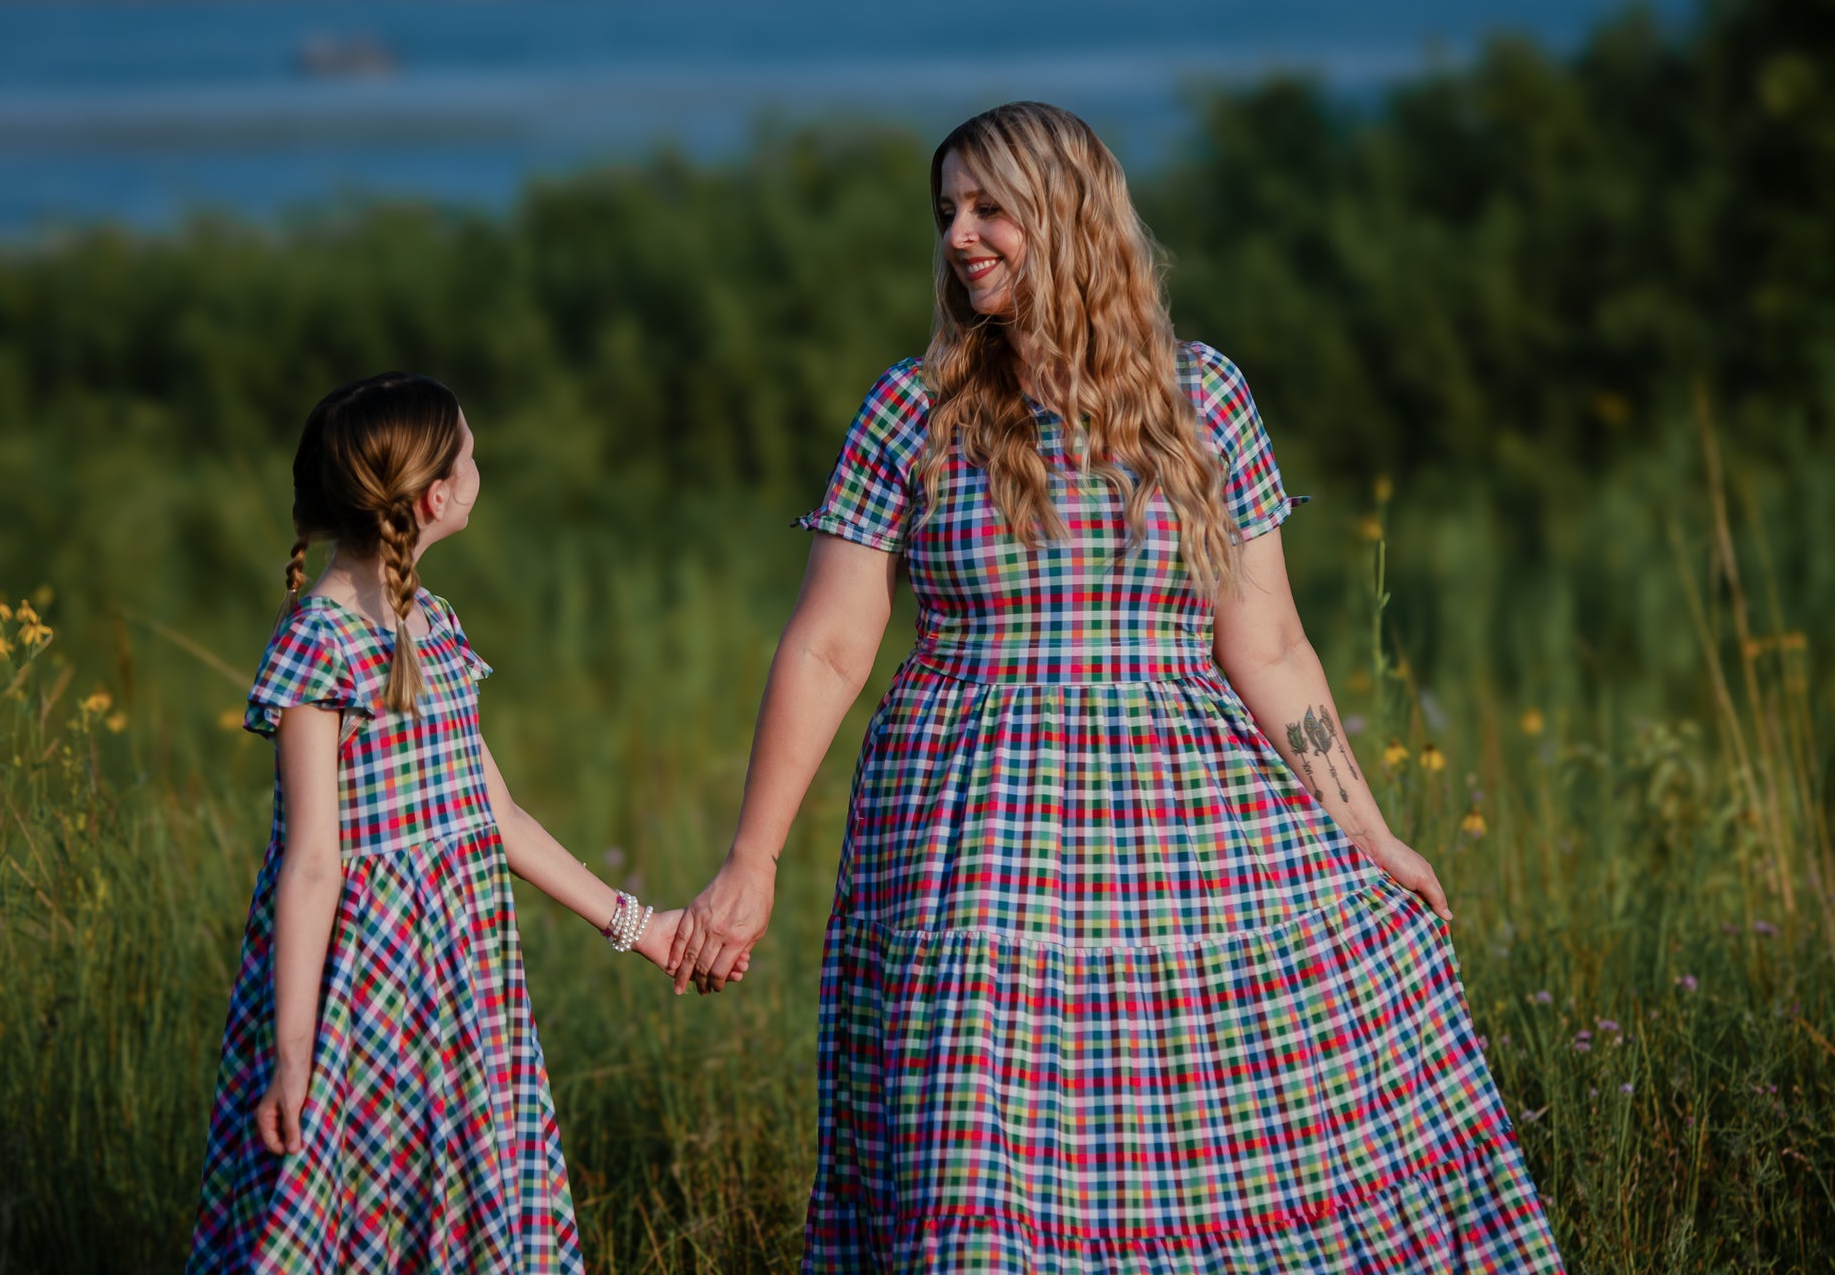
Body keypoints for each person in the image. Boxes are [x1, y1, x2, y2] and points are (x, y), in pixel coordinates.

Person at [668, 103, 1565, 1271]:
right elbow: (828, 646)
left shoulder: (1203, 397)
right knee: (977, 1153)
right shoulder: (912, 407)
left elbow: (1272, 643)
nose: (961, 237)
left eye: (991, 207)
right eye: (947, 212)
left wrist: (1369, 826)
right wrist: (750, 862)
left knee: (1219, 1130)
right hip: (971, 830)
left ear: (1072, 212)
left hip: (1187, 817)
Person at [185, 373, 738, 1274]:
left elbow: (499, 817)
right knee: (360, 1221)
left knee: (467, 1214)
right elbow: (313, 863)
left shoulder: (433, 626)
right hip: (361, 1002)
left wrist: (646, 927)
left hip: (466, 996)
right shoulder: (316, 643)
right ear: (436, 497)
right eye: (471, 453)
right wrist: (294, 1056)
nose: (482, 466)